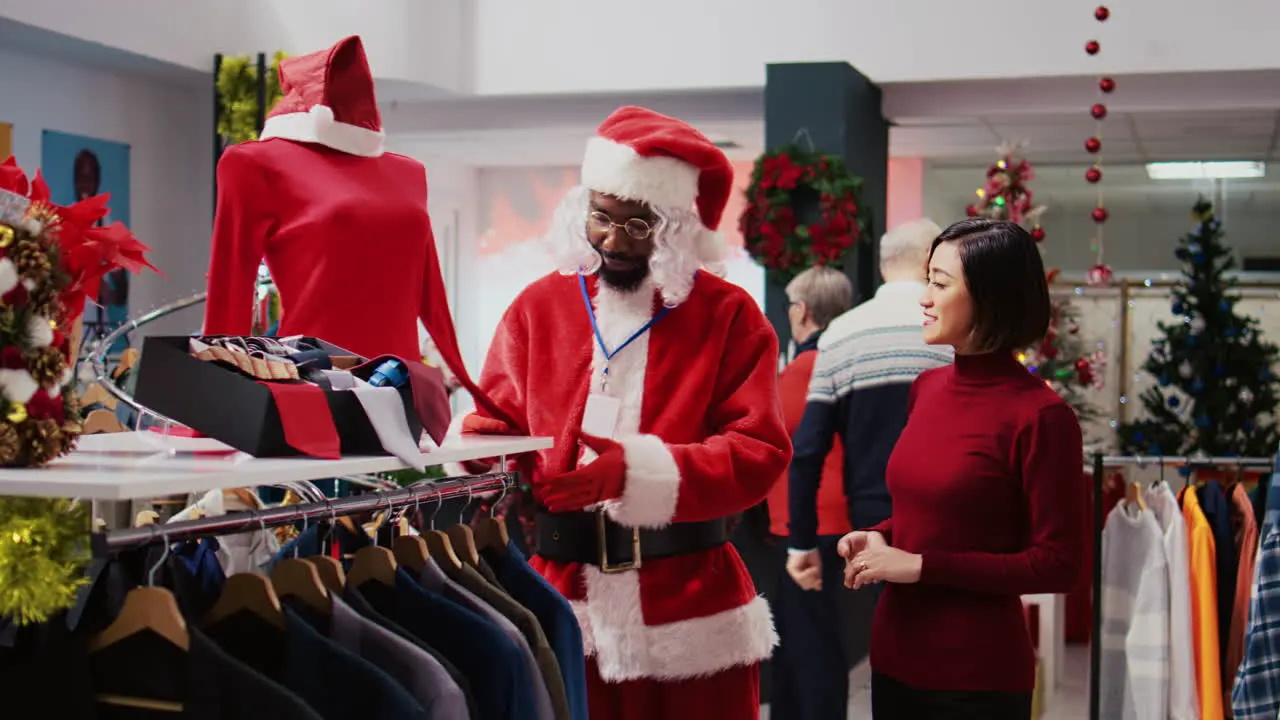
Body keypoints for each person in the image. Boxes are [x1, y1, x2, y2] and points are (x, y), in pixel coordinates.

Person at [459, 105, 791, 720]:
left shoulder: (729, 317)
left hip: (693, 608)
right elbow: (492, 427)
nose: (610, 241)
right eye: (599, 218)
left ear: (674, 227)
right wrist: (499, 467)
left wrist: (639, 473)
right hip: (566, 598)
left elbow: (760, 451)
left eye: (636, 226)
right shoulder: (539, 308)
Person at [840, 218, 1086, 720]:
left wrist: (921, 566)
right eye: (927, 279)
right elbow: (934, 512)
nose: (924, 297)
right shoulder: (927, 388)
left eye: (940, 282)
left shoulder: (1041, 416)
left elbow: (1060, 564)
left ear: (991, 297)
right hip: (893, 658)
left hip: (975, 678)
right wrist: (879, 535)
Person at [782, 219, 952, 718]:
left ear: (882, 267)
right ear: (930, 263)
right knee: (947, 659)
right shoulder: (953, 326)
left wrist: (801, 544)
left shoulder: (843, 332)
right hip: (949, 520)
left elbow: (807, 452)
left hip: (873, 524)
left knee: (892, 661)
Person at [763, 265, 855, 720]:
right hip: (835, 519)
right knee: (813, 640)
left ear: (800, 312)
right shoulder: (844, 360)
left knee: (808, 646)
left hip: (807, 524)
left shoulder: (805, 370)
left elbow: (768, 434)